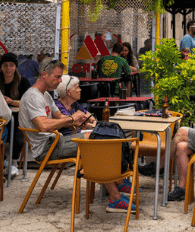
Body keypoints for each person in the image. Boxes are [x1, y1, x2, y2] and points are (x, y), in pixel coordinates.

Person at [19, 60, 135, 212]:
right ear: (44, 75)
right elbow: (43, 126)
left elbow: (61, 119)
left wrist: (77, 121)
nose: (60, 81)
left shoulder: (45, 95)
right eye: (57, 77)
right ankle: (116, 195)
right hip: (46, 147)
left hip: (56, 141)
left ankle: (118, 187)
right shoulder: (33, 96)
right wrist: (72, 119)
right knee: (95, 142)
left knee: (98, 137)